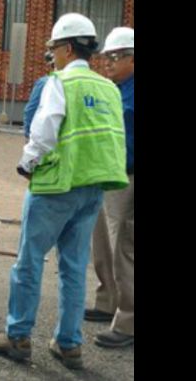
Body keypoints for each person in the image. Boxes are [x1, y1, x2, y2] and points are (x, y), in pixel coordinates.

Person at [0, 13, 128, 370]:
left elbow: (45, 131)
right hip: (92, 189)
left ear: (66, 48)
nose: (52, 55)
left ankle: (17, 336)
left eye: (53, 48)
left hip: (54, 188)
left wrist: (26, 163)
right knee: (74, 267)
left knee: (30, 262)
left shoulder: (58, 83)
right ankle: (69, 344)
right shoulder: (108, 88)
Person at [85, 27, 134, 348]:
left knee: (124, 247)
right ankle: (108, 301)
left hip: (128, 178)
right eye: (107, 57)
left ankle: (128, 321)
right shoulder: (116, 89)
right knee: (102, 242)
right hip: (109, 174)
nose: (109, 63)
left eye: (116, 57)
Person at [23, 53, 55, 140]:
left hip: (44, 135)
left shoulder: (44, 82)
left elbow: (31, 109)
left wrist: (28, 134)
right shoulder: (74, 83)